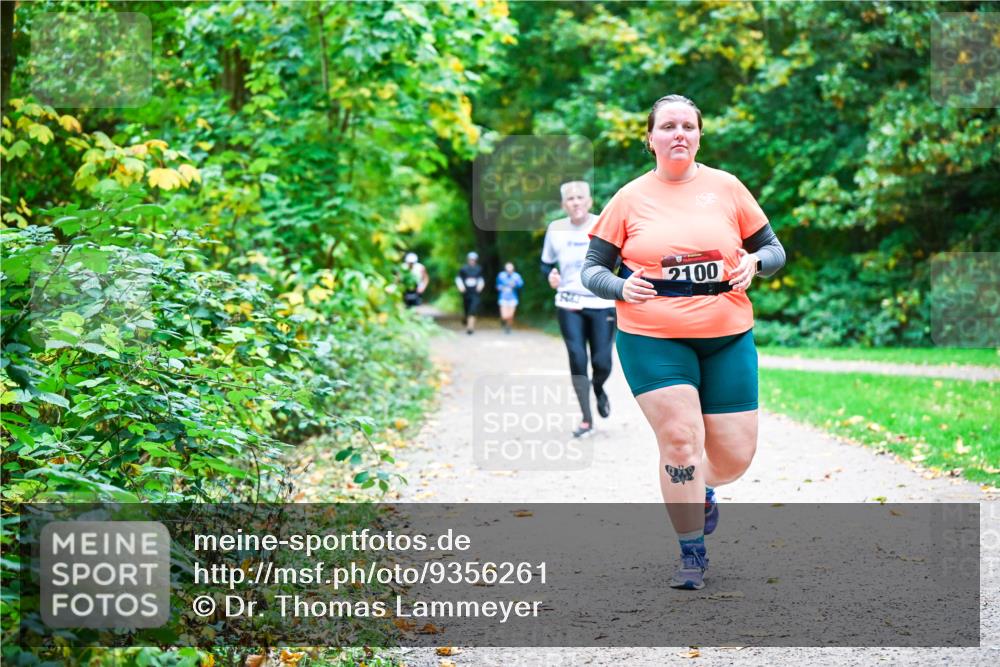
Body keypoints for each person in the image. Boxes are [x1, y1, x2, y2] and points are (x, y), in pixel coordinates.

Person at [581, 94, 786, 590]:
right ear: (649, 138)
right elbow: (591, 270)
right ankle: (691, 553)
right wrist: (620, 286)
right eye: (668, 126)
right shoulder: (629, 198)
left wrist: (754, 263)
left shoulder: (727, 188)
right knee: (679, 441)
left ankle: (705, 487)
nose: (678, 134)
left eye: (687, 126)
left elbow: (773, 249)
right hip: (652, 336)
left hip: (727, 335)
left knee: (735, 457)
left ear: (698, 135)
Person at [541, 181, 617, 439]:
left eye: (579, 197)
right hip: (568, 302)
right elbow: (546, 265)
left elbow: (618, 260)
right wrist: (550, 276)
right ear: (564, 205)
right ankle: (586, 418)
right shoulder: (556, 229)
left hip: (601, 303)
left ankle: (599, 388)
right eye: (570, 199)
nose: (575, 202)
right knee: (577, 359)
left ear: (589, 201)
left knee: (602, 362)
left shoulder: (602, 225)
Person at [455, 251, 484, 335]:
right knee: (467, 309)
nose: (472, 261)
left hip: (475, 293)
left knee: (473, 309)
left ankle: (470, 328)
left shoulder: (479, 268)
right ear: (468, 260)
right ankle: (465, 319)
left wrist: (480, 286)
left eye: (474, 259)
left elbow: (481, 279)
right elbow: (458, 279)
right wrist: (461, 287)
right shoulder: (463, 268)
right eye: (471, 259)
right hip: (466, 292)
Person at [495, 262, 524, 333]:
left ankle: (508, 327)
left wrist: (515, 285)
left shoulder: (516, 276)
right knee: (504, 315)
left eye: (510, 268)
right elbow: (497, 285)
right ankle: (504, 322)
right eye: (508, 268)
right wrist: (501, 288)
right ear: (505, 269)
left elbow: (521, 284)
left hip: (513, 298)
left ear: (513, 269)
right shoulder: (501, 275)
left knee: (510, 315)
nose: (509, 270)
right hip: (503, 297)